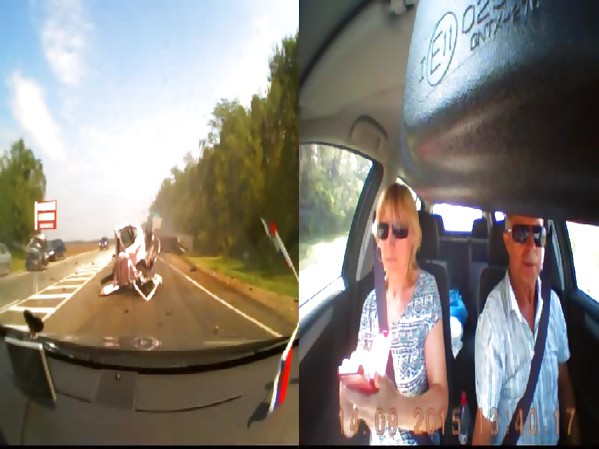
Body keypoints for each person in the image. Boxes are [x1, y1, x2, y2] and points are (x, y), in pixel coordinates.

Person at [339, 182, 448, 445]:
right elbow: (350, 428)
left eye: (400, 230)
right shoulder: (369, 305)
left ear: (414, 238)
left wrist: (395, 409)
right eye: (382, 229)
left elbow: (441, 406)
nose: (389, 240)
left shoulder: (427, 291)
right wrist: (347, 403)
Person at [473, 215, 580, 445]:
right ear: (507, 240)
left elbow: (564, 384)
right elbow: (485, 421)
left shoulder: (554, 306)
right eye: (521, 234)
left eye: (538, 234)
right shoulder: (492, 321)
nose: (531, 245)